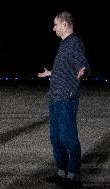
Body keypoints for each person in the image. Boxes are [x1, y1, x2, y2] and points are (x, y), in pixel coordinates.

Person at [37, 11, 90, 188]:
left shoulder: (74, 43)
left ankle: (73, 175)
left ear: (64, 25)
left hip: (66, 98)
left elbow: (84, 65)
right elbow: (66, 69)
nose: (53, 28)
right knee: (55, 137)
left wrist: (84, 71)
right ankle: (61, 171)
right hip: (55, 97)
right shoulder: (64, 44)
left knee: (68, 137)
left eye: (55, 24)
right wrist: (51, 73)